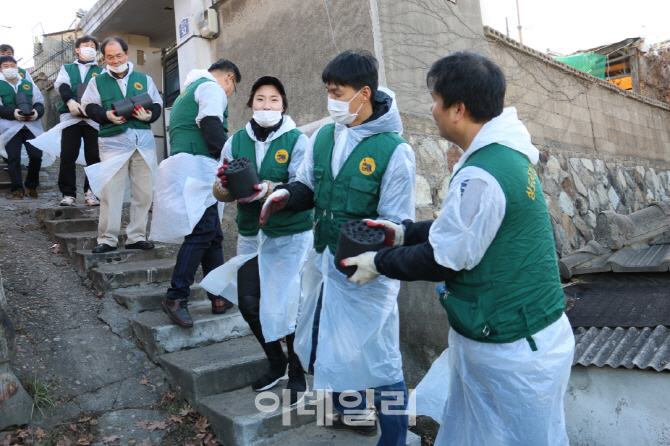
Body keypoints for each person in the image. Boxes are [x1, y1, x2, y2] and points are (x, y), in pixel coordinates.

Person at [342, 51, 575, 446]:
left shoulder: (481, 175)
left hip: (514, 348)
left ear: (458, 109)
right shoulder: (507, 154)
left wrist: (378, 262)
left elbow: (445, 256)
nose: (430, 109)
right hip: (519, 336)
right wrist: (404, 233)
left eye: (435, 100)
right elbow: (466, 230)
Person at [260, 51, 416, 444]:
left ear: (364, 93)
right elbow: (307, 185)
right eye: (327, 90)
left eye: (337, 91)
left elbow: (395, 224)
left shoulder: (394, 151)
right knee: (330, 345)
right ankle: (348, 414)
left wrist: (372, 260)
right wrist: (285, 197)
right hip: (326, 261)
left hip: (368, 276)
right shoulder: (326, 135)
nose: (330, 99)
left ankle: (394, 437)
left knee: (380, 359)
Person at [200, 75, 313, 406]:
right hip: (252, 233)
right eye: (260, 99)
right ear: (250, 103)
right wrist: (223, 186)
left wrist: (268, 189)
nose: (267, 106)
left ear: (284, 105)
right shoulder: (236, 140)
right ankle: (275, 362)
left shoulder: (297, 140)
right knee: (249, 302)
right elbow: (220, 183)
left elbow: (302, 184)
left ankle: (295, 371)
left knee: (289, 303)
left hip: (289, 234)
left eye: (274, 100)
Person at [149, 60, 240, 325]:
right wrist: (230, 163)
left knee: (212, 233)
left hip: (184, 167)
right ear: (229, 79)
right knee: (202, 231)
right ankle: (175, 296)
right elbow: (211, 124)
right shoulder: (212, 88)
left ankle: (218, 295)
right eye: (233, 88)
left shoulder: (185, 94)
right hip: (198, 167)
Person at [81, 37, 163, 253]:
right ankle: (107, 239)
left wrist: (149, 116)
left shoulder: (144, 79)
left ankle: (136, 236)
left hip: (142, 143)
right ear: (104, 58)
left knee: (144, 192)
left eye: (119, 55)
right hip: (113, 143)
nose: (115, 60)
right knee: (111, 191)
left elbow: (157, 106)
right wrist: (106, 115)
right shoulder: (97, 81)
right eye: (110, 56)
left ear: (126, 54)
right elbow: (89, 106)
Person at [51, 35, 102, 206]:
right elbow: (62, 85)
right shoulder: (67, 68)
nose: (89, 48)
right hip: (70, 117)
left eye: (92, 46)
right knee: (68, 155)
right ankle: (68, 193)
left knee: (94, 156)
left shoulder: (102, 71)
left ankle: (91, 193)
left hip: (92, 119)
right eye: (85, 45)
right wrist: (70, 101)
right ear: (77, 49)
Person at [0, 55, 44, 199]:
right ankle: (17, 189)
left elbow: (39, 102)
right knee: (14, 158)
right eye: (5, 66)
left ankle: (31, 185)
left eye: (12, 65)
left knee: (36, 155)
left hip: (30, 126)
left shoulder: (27, 83)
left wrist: (36, 113)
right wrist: (13, 113)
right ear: (0, 69)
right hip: (10, 128)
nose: (10, 68)